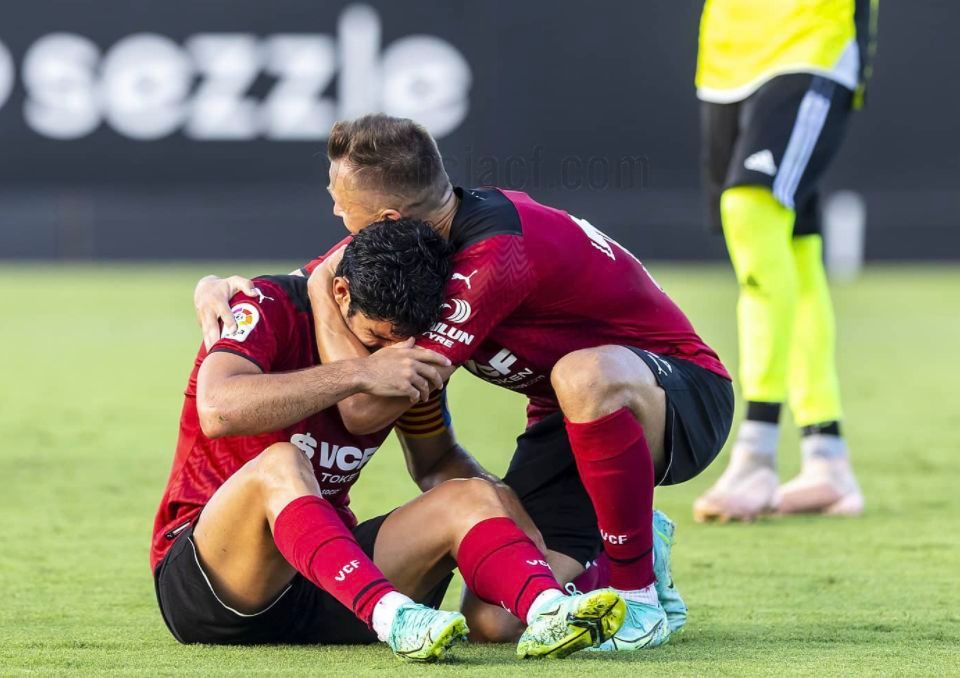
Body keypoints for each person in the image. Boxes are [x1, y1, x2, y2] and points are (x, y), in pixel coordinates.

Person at [195, 115, 735, 650]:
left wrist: (317, 290)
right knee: (496, 620)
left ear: (386, 218)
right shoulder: (433, 243)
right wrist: (220, 288)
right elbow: (333, 283)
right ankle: (636, 541)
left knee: (582, 372)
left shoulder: (493, 259)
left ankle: (637, 595)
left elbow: (364, 409)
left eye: (342, 207)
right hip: (564, 422)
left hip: (677, 396)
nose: (336, 214)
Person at [154, 220, 627, 661]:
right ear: (340, 292)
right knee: (282, 462)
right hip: (211, 584)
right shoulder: (265, 304)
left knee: (472, 493)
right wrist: (360, 372)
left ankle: (550, 608)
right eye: (375, 338)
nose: (391, 357)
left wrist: (500, 506)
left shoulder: (407, 354)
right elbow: (218, 409)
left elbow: (436, 460)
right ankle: (395, 617)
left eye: (404, 344)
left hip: (329, 577)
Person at [692, 0, 878, 522]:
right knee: (796, 247)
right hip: (727, 53)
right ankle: (827, 457)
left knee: (751, 207)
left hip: (810, 38)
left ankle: (757, 452)